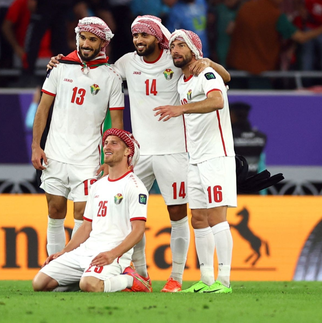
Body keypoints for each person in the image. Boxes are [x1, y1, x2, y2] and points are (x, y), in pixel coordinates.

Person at [47, 15, 231, 292]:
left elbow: (224, 78)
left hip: (176, 151)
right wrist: (63, 61)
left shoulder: (176, 59)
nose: (139, 40)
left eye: (144, 35)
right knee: (128, 215)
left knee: (179, 215)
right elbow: (96, 69)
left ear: (158, 38)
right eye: (135, 36)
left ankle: (176, 278)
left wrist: (209, 62)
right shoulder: (125, 63)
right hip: (140, 154)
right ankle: (140, 272)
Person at [31, 17, 124, 257]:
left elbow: (116, 124)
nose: (85, 43)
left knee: (83, 215)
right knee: (54, 210)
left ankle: (74, 267)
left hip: (88, 160)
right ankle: (52, 266)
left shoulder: (112, 77)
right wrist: (36, 147)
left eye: (92, 39)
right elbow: (43, 109)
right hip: (55, 154)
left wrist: (110, 158)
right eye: (82, 37)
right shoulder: (60, 67)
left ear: (102, 44)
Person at [154, 29, 236, 293]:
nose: (175, 50)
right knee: (198, 219)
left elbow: (217, 100)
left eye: (181, 45)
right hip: (195, 158)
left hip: (216, 155)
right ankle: (206, 279)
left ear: (193, 50)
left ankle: (224, 281)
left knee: (217, 218)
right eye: (172, 47)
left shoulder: (205, 74)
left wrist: (181, 108)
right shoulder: (183, 82)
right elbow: (228, 77)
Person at [32, 128, 151, 293]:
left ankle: (132, 279)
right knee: (39, 283)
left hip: (112, 252)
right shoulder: (97, 185)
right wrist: (65, 252)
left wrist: (113, 254)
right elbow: (86, 227)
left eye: (114, 143)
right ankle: (87, 278)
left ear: (127, 151)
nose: (107, 147)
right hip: (86, 250)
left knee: (90, 285)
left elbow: (138, 230)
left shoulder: (135, 187)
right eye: (106, 143)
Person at [227, 0, 322, 88]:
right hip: (259, 71)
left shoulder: (245, 7)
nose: (283, 0)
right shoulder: (276, 15)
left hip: (235, 67)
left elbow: (230, 29)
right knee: (262, 103)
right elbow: (301, 37)